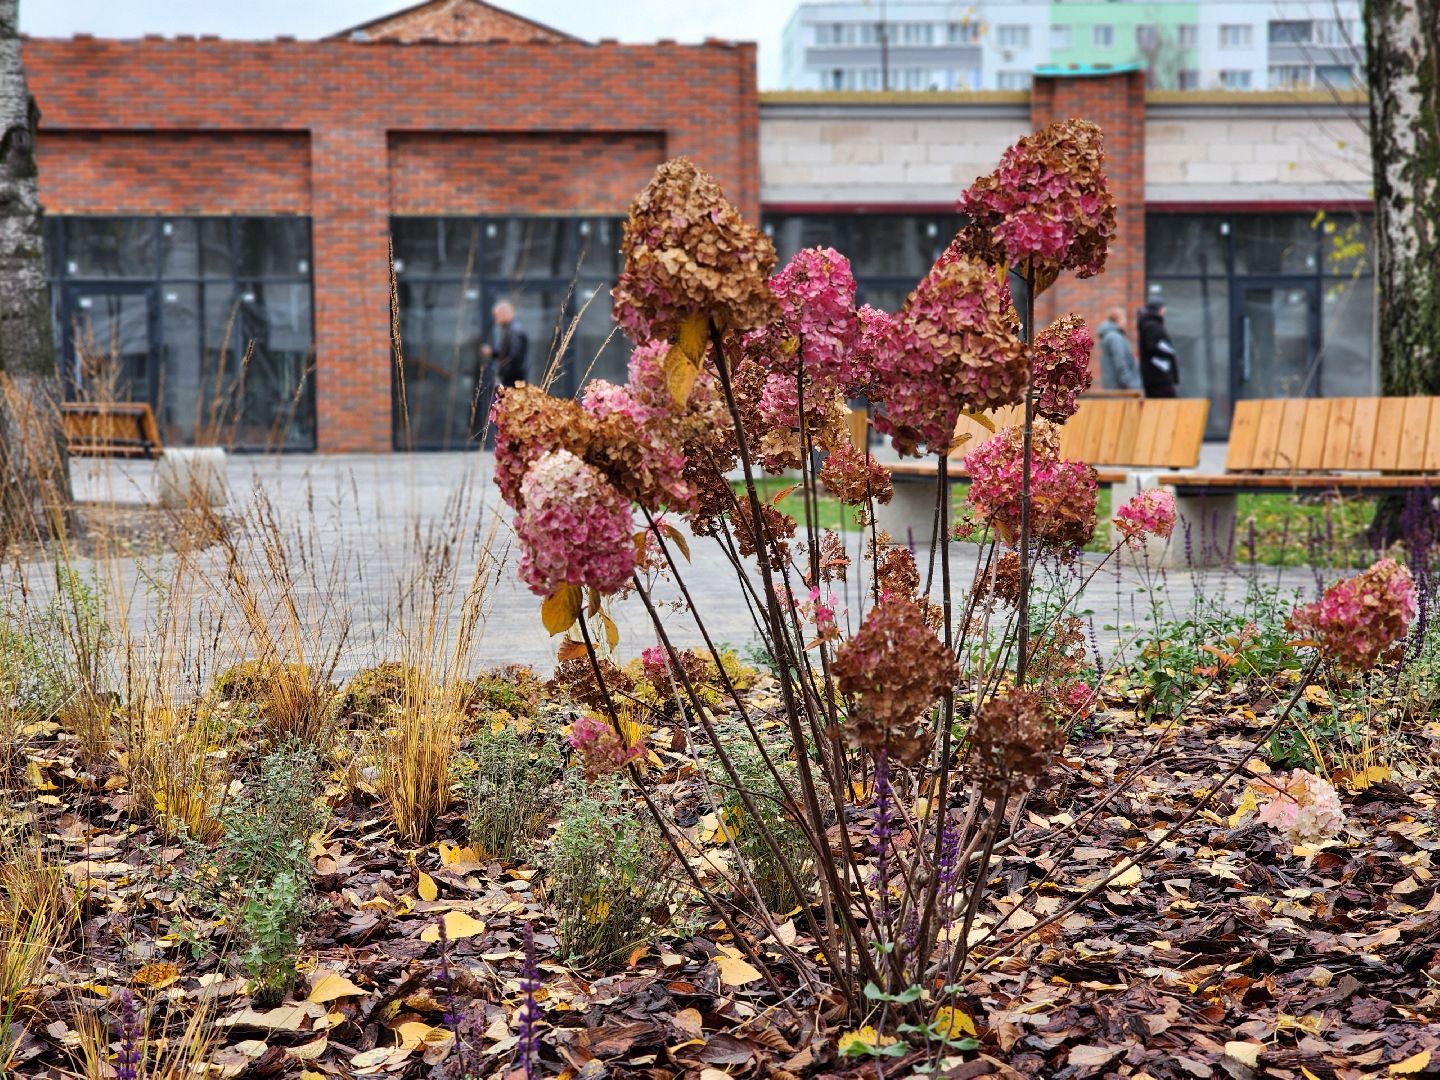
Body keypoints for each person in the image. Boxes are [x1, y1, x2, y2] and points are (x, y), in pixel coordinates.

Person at [474, 300, 529, 445]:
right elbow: (509, 356)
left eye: (497, 315)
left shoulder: (514, 332)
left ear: (506, 313)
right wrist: (493, 353)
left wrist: (502, 371)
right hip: (513, 382)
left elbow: (514, 358)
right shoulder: (511, 330)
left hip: (512, 383)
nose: (496, 319)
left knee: (509, 418)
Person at [1136, 299, 1179, 398]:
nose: (1165, 311)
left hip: (1155, 376)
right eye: (1163, 308)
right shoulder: (1153, 326)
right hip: (1158, 376)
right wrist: (1169, 353)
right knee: (1170, 405)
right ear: (1158, 310)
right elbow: (1152, 347)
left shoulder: (1149, 324)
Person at [1097, 307, 1142, 392]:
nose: (1125, 321)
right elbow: (1120, 362)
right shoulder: (1114, 337)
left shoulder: (1110, 336)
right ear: (1119, 319)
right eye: (1124, 318)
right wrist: (1130, 384)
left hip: (1114, 387)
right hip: (1120, 389)